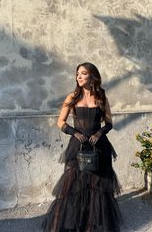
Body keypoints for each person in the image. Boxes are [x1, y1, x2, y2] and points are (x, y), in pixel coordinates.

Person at [41, 62, 123, 232]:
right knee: (73, 185)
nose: (79, 76)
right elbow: (60, 122)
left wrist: (99, 133)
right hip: (77, 146)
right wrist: (74, 132)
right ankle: (73, 221)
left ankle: (92, 224)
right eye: (77, 73)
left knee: (97, 185)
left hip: (98, 147)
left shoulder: (102, 97)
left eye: (83, 73)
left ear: (92, 76)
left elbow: (109, 123)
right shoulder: (72, 97)